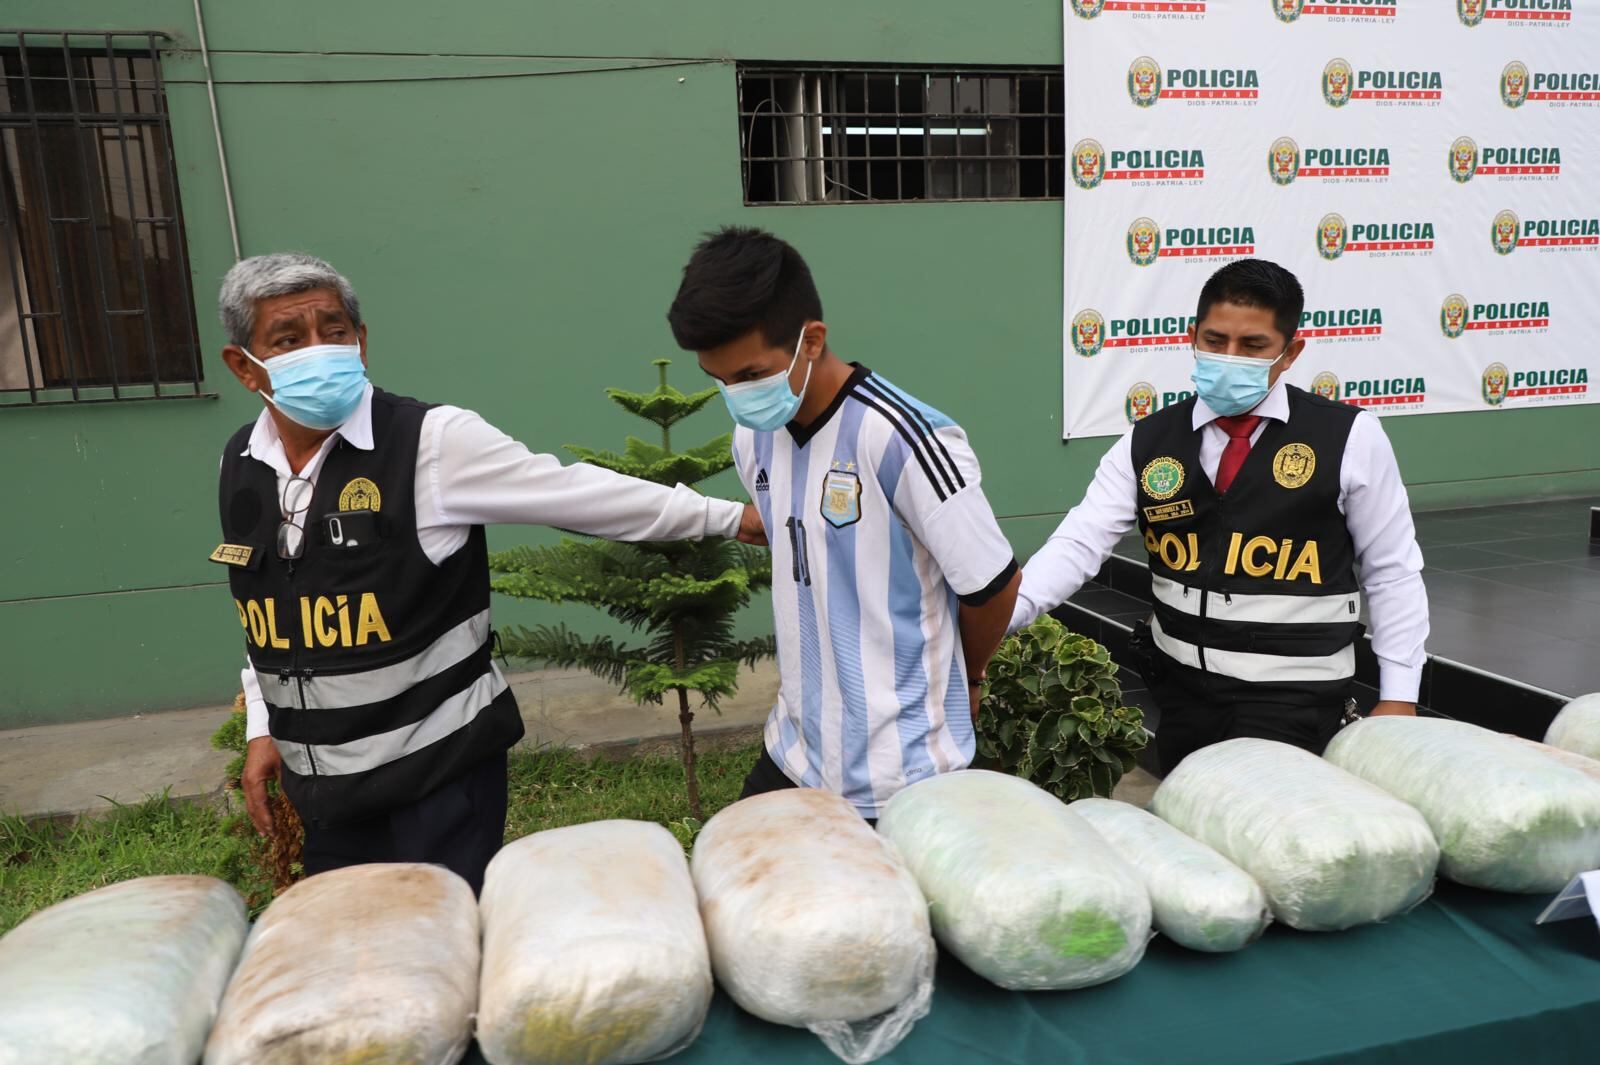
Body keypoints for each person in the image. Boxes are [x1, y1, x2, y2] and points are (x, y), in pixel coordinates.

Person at [212, 252, 762, 892]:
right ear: (244, 367)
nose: (319, 351)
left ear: (360, 341)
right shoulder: (240, 462)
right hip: (325, 793)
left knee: (445, 939)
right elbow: (272, 606)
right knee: (355, 939)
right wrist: (264, 728)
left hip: (436, 783)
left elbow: (575, 494)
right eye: (288, 340)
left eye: (333, 332)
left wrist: (731, 519)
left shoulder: (431, 442)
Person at [1012, 259, 1428, 773]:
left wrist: (1400, 695)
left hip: (1295, 701)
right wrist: (1003, 616)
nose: (1230, 358)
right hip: (1183, 697)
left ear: (1290, 352)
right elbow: (1079, 543)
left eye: (1253, 345)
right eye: (1215, 340)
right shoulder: (1148, 441)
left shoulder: (1349, 438)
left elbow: (1392, 570)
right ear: (1193, 337)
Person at [667, 227, 1020, 820]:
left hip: (900, 775)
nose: (736, 395)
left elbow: (993, 585)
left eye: (750, 375)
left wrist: (972, 676)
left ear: (811, 340)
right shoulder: (753, 437)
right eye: (718, 380)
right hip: (794, 753)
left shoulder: (906, 438)